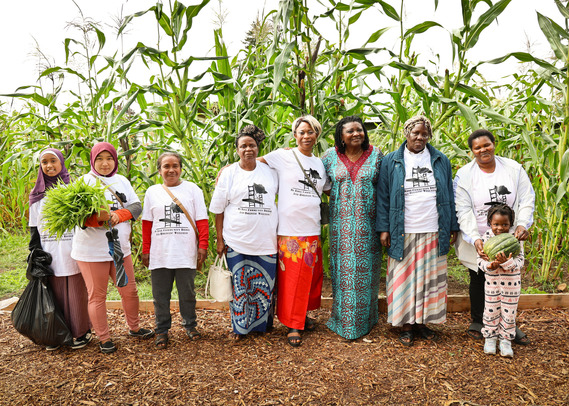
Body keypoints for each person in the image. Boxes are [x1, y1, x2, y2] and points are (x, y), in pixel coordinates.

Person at [377, 115, 459, 346]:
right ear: (406, 133)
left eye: (424, 134)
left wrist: (452, 225)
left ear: (429, 136)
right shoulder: (392, 160)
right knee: (403, 278)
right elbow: (383, 196)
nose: (420, 137)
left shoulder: (441, 159)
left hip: (433, 227)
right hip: (403, 228)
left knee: (429, 278)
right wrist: (384, 228)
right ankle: (405, 324)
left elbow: (449, 196)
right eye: (416, 133)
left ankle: (422, 323)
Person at [454, 129, 534, 345]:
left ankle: (509, 326)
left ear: (494, 144)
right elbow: (463, 209)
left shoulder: (513, 169)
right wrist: (474, 238)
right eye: (477, 147)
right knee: (479, 277)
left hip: (507, 234)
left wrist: (521, 224)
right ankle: (479, 321)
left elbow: (526, 198)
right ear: (472, 151)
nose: (483, 150)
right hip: (479, 232)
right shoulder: (465, 174)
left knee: (508, 279)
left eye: (486, 145)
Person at [71, 142, 154, 354]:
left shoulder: (122, 181)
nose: (105, 163)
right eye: (99, 159)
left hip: (120, 248)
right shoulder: (84, 182)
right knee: (97, 296)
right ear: (92, 160)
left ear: (115, 160)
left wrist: (119, 215)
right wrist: (99, 220)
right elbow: (78, 217)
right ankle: (104, 338)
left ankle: (134, 328)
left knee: (130, 290)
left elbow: (136, 206)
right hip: (91, 252)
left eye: (109, 158)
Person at [259, 115, 330, 347]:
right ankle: (293, 324)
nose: (306, 136)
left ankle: (301, 316)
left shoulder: (320, 163)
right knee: (292, 280)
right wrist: (227, 170)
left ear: (316, 135)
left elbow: (329, 189)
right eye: (301, 132)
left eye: (310, 132)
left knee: (308, 279)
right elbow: (252, 161)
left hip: (312, 229)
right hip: (290, 230)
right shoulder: (283, 156)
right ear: (295, 135)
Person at [210, 125, 279, 340]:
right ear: (237, 150)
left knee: (264, 284)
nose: (248, 149)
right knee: (239, 287)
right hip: (236, 240)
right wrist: (219, 239)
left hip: (266, 240)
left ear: (258, 148)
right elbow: (218, 210)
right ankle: (240, 329)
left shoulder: (271, 172)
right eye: (243, 146)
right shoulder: (229, 173)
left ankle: (261, 327)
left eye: (252, 145)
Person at [321, 115, 383, 340]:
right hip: (341, 227)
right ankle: (342, 320)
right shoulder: (328, 157)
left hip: (369, 225)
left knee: (367, 274)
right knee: (343, 272)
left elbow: (384, 191)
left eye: (360, 130)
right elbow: (316, 179)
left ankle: (367, 319)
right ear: (341, 136)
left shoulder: (376, 155)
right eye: (351, 131)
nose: (357, 133)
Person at [141, 152, 209, 349]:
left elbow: (202, 220)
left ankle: (190, 325)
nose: (171, 170)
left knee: (187, 293)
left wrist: (202, 246)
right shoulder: (152, 192)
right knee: (160, 295)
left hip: (185, 251)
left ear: (181, 168)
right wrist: (146, 250)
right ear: (159, 169)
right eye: (166, 166)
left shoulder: (192, 190)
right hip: (160, 253)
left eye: (175, 166)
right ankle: (161, 330)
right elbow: (147, 224)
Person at [28, 148, 91, 351]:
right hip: (50, 250)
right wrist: (35, 253)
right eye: (44, 162)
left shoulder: (73, 189)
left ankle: (80, 333)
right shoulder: (37, 195)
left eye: (53, 161)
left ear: (61, 163)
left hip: (73, 248)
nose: (49, 166)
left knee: (75, 291)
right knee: (53, 293)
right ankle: (54, 334)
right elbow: (34, 227)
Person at [478, 204, 524, 358]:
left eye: (505, 224)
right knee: (490, 312)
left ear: (510, 224)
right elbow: (480, 261)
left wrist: (505, 263)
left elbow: (520, 262)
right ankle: (490, 338)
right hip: (492, 286)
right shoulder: (486, 238)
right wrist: (490, 265)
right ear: (490, 223)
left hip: (512, 287)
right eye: (496, 224)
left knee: (509, 314)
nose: (500, 228)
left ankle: (505, 340)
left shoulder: (515, 239)